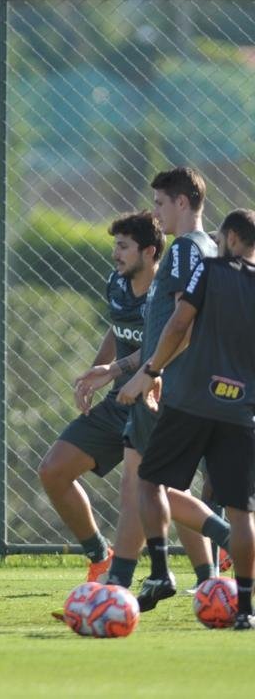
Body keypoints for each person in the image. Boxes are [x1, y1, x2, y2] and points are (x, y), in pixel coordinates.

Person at [79, 168, 230, 602]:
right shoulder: (207, 247)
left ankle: (128, 580)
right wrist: (120, 368)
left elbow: (184, 322)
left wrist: (151, 373)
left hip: (167, 385)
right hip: (175, 381)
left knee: (142, 485)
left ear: (182, 203)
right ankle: (144, 576)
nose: (157, 214)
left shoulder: (184, 250)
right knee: (146, 484)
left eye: (161, 204)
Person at [117, 209, 255, 629]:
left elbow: (180, 322)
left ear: (231, 238)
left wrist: (152, 371)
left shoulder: (209, 270)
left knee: (150, 479)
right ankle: (246, 610)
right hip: (242, 409)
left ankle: (159, 569)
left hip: (193, 398)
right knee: (241, 512)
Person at [38, 212, 161, 585]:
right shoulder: (118, 283)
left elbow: (162, 349)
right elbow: (116, 325)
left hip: (159, 403)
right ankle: (101, 560)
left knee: (155, 496)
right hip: (119, 401)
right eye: (115, 245)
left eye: (123, 246)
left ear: (149, 252)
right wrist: (96, 372)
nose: (115, 254)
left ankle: (214, 562)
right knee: (53, 471)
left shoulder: (166, 295)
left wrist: (112, 370)